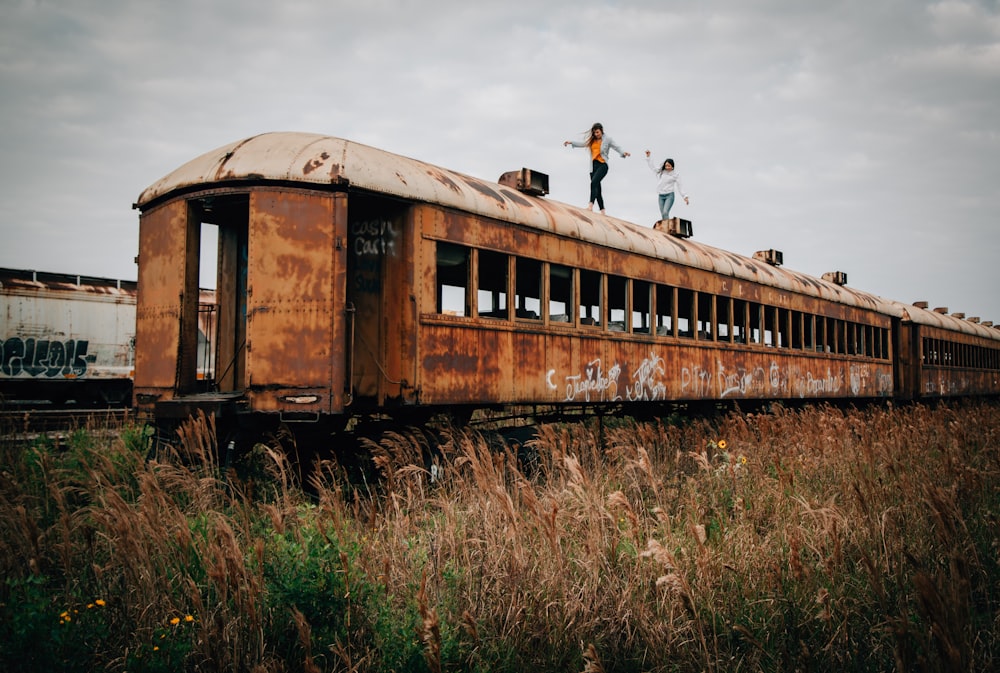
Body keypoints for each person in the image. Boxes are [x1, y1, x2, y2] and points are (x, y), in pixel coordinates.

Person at [564, 122, 630, 214]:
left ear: (601, 131)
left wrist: (623, 153)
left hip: (602, 165)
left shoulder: (607, 139)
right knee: (597, 189)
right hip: (593, 167)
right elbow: (583, 144)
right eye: (594, 133)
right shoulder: (592, 141)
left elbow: (617, 147)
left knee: (593, 182)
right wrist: (571, 142)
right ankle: (603, 211)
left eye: (597, 132)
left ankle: (590, 205)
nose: (596, 134)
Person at [644, 151, 689, 221]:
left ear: (672, 166)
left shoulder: (675, 175)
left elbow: (680, 186)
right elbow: (653, 168)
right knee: (663, 215)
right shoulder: (662, 171)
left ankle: (667, 230)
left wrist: (685, 196)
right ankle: (665, 229)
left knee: (665, 212)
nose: (667, 167)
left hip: (669, 195)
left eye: (669, 166)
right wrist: (648, 157)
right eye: (666, 166)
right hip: (661, 196)